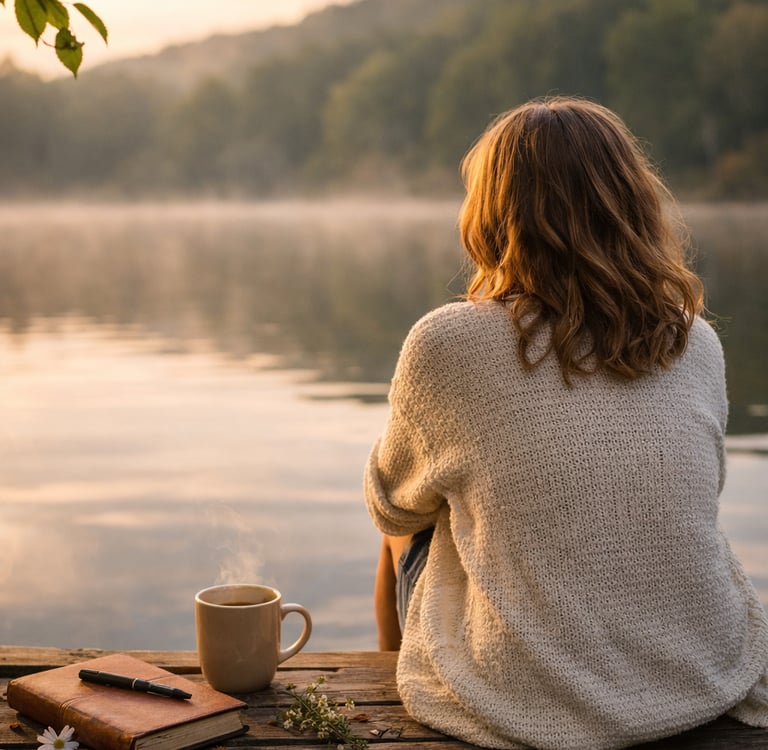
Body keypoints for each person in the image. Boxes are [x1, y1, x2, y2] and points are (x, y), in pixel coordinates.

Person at [363, 96, 768, 750]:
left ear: (493, 215)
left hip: (517, 698)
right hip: (700, 675)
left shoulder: (447, 345)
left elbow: (389, 503)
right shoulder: (697, 343)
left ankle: (392, 683)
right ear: (634, 205)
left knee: (413, 520)